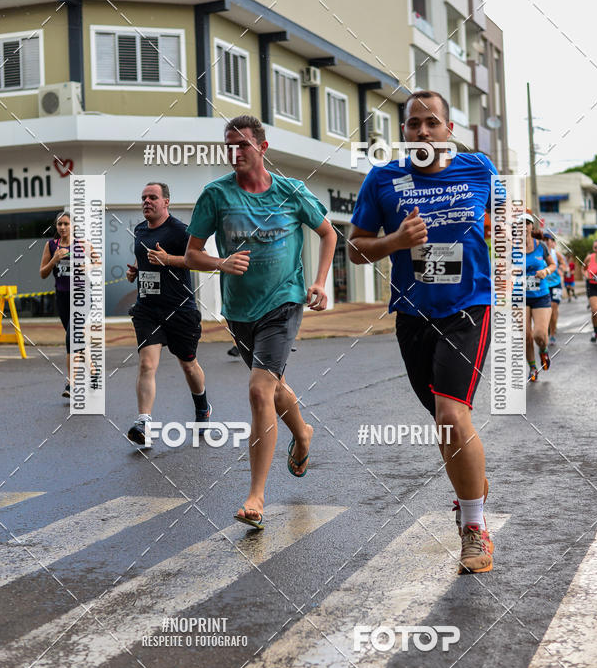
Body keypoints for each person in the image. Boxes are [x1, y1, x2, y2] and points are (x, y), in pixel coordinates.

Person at [349, 90, 499, 574]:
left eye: (432, 122)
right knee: (444, 419)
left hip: (468, 307)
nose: (423, 132)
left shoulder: (479, 169)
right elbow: (356, 249)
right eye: (413, 124)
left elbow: (502, 223)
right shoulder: (383, 179)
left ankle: (473, 527)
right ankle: (470, 484)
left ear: (449, 130)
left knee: (451, 412)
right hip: (413, 315)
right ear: (405, 132)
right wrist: (396, 240)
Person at [185, 115, 337, 530]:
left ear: (262, 148)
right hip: (239, 310)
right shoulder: (215, 195)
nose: (235, 152)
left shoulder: (291, 192)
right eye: (229, 145)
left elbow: (328, 233)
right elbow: (193, 254)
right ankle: (302, 433)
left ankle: (255, 496)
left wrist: (320, 281)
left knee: (257, 390)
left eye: (243, 145)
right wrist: (221, 262)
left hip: (284, 302)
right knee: (272, 386)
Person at [126, 182, 210, 446]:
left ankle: (202, 407)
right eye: (143, 198)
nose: (147, 202)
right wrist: (136, 271)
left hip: (180, 310)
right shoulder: (140, 230)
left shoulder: (180, 231)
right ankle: (144, 422)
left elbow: (203, 260)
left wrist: (170, 260)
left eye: (153, 197)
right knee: (147, 364)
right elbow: (145, 258)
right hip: (148, 309)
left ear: (166, 202)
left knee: (188, 364)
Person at [39, 210, 72, 399]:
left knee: (72, 338)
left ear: (73, 226)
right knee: (75, 337)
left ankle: (71, 383)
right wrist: (54, 259)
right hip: (62, 296)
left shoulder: (81, 244)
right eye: (60, 224)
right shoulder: (51, 245)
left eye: (66, 224)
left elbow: (97, 264)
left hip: (81, 296)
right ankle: (92, 370)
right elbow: (42, 273)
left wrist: (89, 266)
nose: (62, 227)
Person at [524, 215, 555, 381]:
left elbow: (553, 265)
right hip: (519, 296)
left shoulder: (541, 246)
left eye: (527, 223)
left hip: (540, 295)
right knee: (525, 335)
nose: (523, 227)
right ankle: (533, 368)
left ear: (531, 226)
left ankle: (543, 351)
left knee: (539, 335)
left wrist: (546, 271)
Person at [543, 232, 566, 345]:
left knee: (554, 306)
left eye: (549, 240)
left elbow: (563, 264)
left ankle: (552, 333)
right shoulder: (539, 253)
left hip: (556, 284)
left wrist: (561, 269)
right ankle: (547, 326)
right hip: (544, 285)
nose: (547, 241)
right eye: (545, 239)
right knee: (546, 309)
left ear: (553, 243)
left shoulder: (556, 254)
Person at [582, 237, 597, 342]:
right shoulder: (589, 258)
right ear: (593, 248)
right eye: (595, 247)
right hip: (593, 286)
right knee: (595, 311)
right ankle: (595, 331)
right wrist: (586, 275)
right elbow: (583, 268)